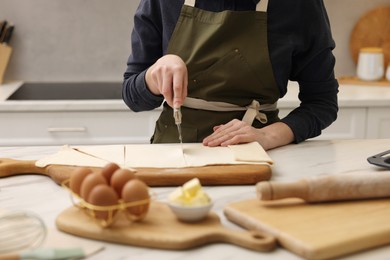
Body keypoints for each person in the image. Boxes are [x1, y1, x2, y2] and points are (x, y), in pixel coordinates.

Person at [122, 0, 339, 150]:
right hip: (174, 150)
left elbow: (322, 103)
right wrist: (154, 76)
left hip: (258, 153)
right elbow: (132, 96)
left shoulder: (299, 6)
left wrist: (267, 136)